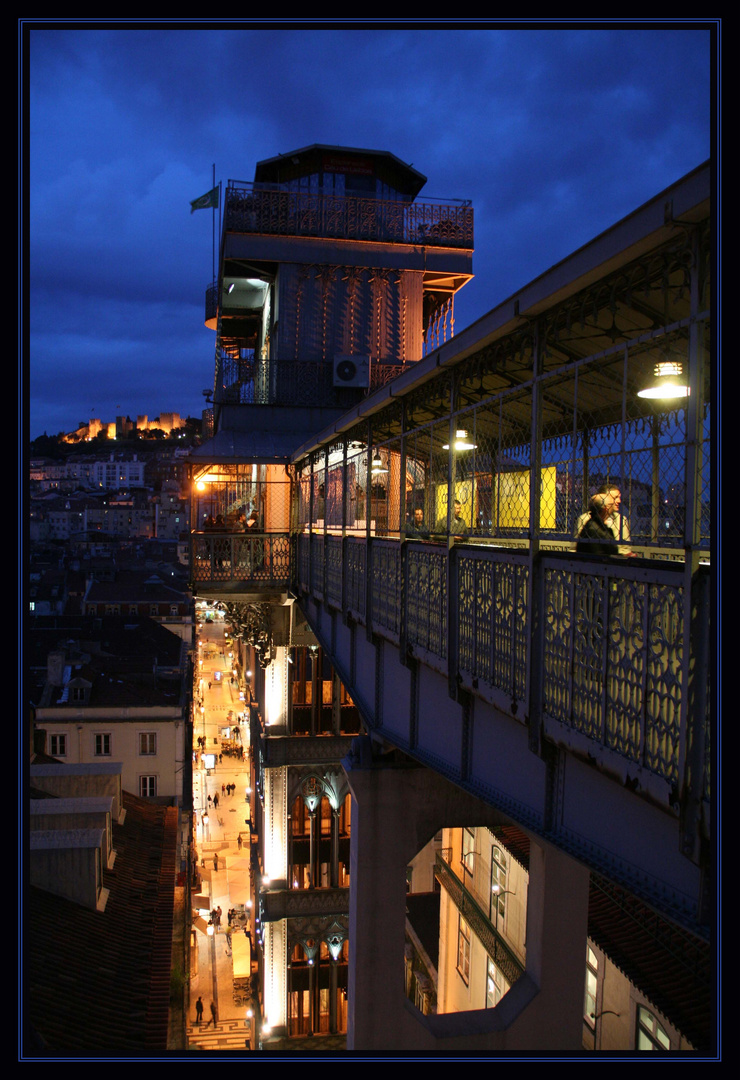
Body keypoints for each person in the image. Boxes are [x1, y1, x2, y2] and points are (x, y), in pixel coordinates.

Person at [575, 485, 634, 555]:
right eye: (614, 498)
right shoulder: (584, 520)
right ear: (603, 498)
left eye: (619, 497)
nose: (619, 501)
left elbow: (626, 547)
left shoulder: (621, 520)